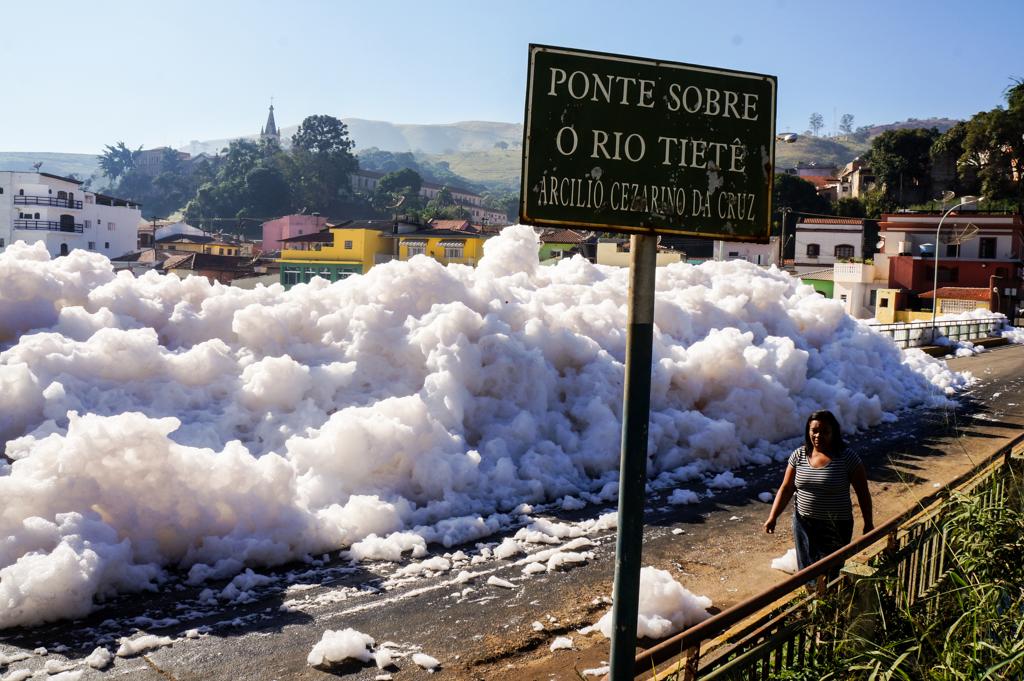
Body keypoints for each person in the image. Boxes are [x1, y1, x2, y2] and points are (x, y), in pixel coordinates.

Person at [763, 410, 874, 573]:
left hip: (836, 526)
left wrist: (868, 523)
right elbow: (786, 488)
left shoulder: (847, 458)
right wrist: (773, 517)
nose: (818, 435)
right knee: (807, 571)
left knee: (831, 572)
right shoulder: (799, 455)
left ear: (833, 432)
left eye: (825, 431)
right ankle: (811, 594)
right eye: (814, 430)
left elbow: (863, 493)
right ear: (808, 431)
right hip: (803, 524)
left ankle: (831, 598)